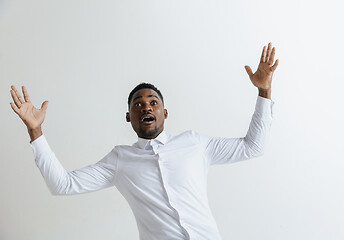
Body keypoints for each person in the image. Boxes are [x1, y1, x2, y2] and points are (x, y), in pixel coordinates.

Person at [10, 42, 279, 240]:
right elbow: (62, 185)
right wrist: (36, 132)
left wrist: (264, 90)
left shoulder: (195, 144)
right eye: (137, 105)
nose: (146, 107)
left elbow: (252, 147)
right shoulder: (120, 160)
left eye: (153, 102)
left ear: (165, 112)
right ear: (129, 117)